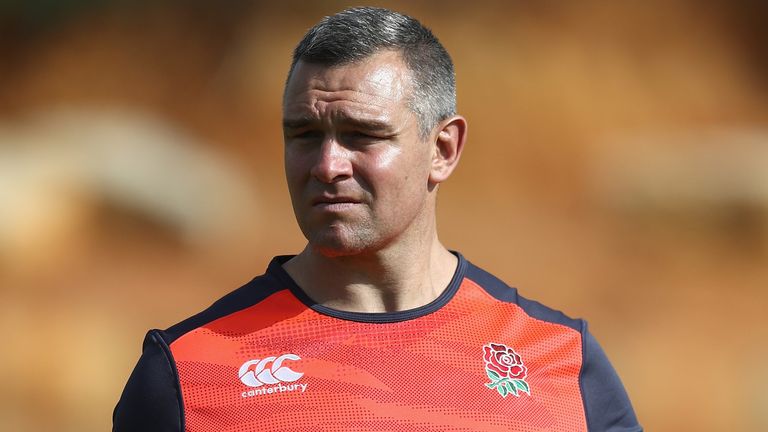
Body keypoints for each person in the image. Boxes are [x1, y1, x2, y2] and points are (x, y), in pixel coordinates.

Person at [113, 6, 641, 431]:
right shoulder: (185, 372)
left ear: (443, 148)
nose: (327, 165)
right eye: (304, 135)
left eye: (363, 135)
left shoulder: (561, 360)